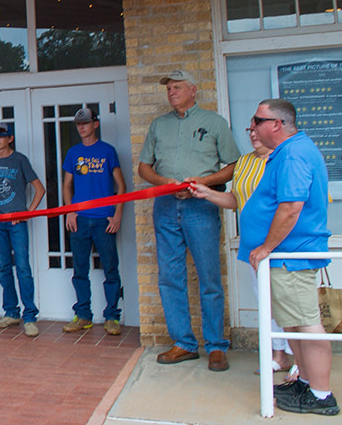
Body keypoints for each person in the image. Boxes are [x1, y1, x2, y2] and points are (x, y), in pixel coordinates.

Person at [194, 99, 336, 415]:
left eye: (257, 120)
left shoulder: (294, 154)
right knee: (292, 326)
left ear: (276, 124)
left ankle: (321, 395)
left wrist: (267, 247)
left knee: (306, 325)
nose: (252, 127)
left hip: (290, 256)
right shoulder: (283, 153)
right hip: (283, 257)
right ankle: (306, 384)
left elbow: (291, 207)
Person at [138, 69, 240, 371]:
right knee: (170, 277)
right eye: (169, 88)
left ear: (193, 90)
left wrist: (203, 184)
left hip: (201, 206)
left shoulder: (214, 123)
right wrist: (165, 182)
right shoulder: (159, 125)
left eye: (177, 87)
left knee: (209, 277)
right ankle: (183, 343)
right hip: (166, 206)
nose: (171, 92)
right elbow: (144, 167)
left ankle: (216, 346)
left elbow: (234, 165)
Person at [191, 125, 296, 374]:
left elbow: (293, 204)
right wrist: (207, 193)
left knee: (290, 304)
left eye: (258, 128)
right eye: (250, 129)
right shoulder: (245, 162)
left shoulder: (286, 158)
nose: (253, 133)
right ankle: (279, 355)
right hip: (255, 247)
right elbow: (235, 200)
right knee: (267, 303)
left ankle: (301, 362)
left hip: (284, 245)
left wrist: (270, 245)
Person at [61, 109, 125, 336]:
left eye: (86, 123)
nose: (81, 127)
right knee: (79, 269)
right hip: (80, 219)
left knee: (110, 268)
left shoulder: (108, 151)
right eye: (79, 123)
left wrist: (117, 215)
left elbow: (121, 185)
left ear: (95, 124)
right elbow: (66, 185)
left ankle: (112, 316)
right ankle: (83, 315)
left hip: (103, 220)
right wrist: (70, 211)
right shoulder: (73, 152)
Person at [0, 122, 46, 337]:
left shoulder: (20, 160)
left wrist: (28, 212)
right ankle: (11, 312)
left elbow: (39, 189)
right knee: (3, 267)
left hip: (16, 222)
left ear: (10, 138)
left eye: (1, 136)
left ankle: (30, 316)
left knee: (23, 267)